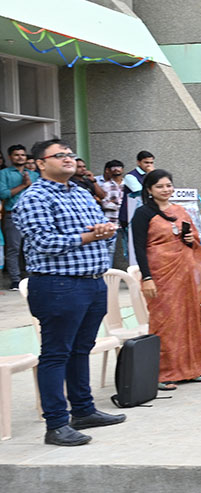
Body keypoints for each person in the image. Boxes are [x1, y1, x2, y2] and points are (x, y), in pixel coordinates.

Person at [16, 139, 125, 446]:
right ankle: (56, 424)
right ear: (40, 164)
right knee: (56, 353)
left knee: (81, 349)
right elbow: (44, 242)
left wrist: (102, 234)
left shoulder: (81, 192)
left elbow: (99, 232)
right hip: (57, 284)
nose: (68, 158)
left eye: (70, 154)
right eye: (59, 155)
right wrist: (92, 235)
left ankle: (84, 410)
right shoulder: (34, 197)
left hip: (92, 282)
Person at [131, 169, 201, 391]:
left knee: (188, 318)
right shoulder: (143, 214)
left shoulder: (181, 211)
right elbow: (139, 248)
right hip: (160, 274)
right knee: (164, 321)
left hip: (184, 273)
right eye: (160, 186)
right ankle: (162, 372)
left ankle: (192, 369)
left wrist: (190, 239)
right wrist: (147, 277)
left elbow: (193, 240)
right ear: (149, 190)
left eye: (169, 185)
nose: (166, 190)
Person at [1, 144, 37, 288]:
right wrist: (23, 185)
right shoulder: (4, 173)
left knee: (31, 247)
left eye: (22, 154)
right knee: (13, 249)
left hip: (32, 216)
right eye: (16, 155)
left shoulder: (34, 174)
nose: (20, 157)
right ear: (10, 157)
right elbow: (3, 194)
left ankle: (31, 277)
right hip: (12, 215)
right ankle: (15, 279)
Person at [97, 161, 126, 267]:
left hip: (126, 221)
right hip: (111, 220)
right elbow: (105, 204)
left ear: (122, 169)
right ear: (109, 170)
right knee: (110, 249)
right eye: (114, 168)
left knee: (130, 246)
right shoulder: (105, 185)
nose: (117, 169)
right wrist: (121, 206)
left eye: (119, 167)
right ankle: (108, 273)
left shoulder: (127, 184)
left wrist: (115, 204)